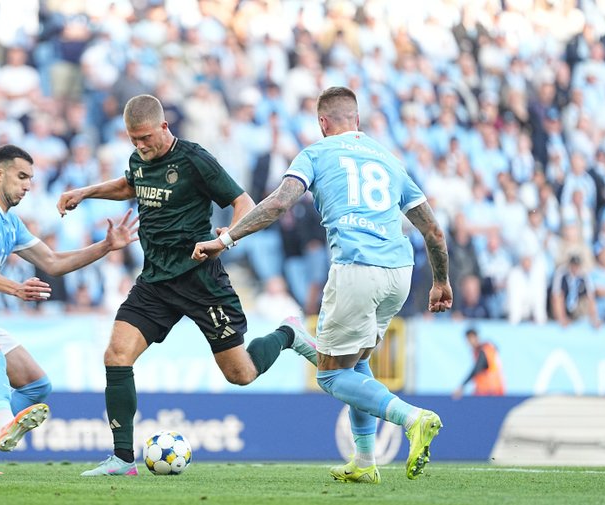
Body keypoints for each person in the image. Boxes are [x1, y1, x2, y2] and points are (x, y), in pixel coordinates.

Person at [193, 87, 452, 484]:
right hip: (400, 272)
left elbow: (280, 203)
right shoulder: (389, 159)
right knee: (357, 360)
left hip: (356, 268)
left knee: (331, 376)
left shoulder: (316, 153)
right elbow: (433, 231)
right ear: (357, 121)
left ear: (322, 123)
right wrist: (441, 281)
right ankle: (365, 461)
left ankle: (412, 418)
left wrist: (225, 240)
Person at [56, 95, 317, 477]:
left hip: (200, 278)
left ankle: (288, 333)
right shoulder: (138, 160)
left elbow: (242, 201)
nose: (140, 146)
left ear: (164, 127)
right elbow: (130, 185)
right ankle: (123, 459)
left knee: (240, 374)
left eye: (145, 138)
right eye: (133, 140)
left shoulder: (195, 159)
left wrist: (231, 234)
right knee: (116, 355)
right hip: (155, 281)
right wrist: (85, 192)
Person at [0, 144, 138, 475]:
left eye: (31, 179)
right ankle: (5, 422)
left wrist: (106, 246)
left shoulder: (10, 223)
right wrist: (16, 288)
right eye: (21, 176)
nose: (27, 185)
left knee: (36, 386)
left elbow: (52, 262)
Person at [452, 328, 505, 398]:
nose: (470, 342)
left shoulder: (485, 350)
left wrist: (462, 386)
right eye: (468, 339)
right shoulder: (479, 350)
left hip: (491, 390)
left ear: (477, 337)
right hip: (486, 389)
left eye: (471, 338)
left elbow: (478, 368)